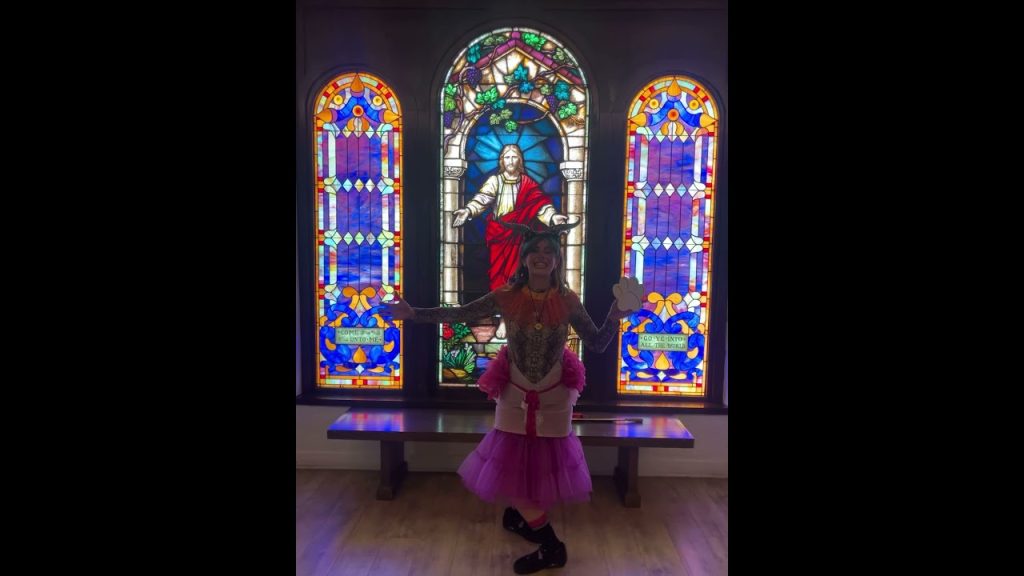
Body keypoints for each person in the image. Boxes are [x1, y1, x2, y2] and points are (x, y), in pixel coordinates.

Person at [384, 218, 631, 574]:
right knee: (513, 464)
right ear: (524, 258)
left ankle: (550, 547)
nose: (542, 256)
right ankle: (520, 518)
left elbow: (597, 343)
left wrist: (613, 316)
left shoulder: (567, 300)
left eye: (549, 251)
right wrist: (413, 314)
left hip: (553, 397)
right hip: (515, 393)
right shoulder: (507, 295)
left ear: (557, 260)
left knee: (538, 466)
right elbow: (462, 313)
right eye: (535, 251)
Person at [451, 143, 570, 291]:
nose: (511, 161)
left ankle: (517, 300)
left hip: (519, 237)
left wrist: (553, 218)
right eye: (507, 157)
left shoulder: (527, 183)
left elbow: (540, 206)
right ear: (502, 160)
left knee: (518, 273)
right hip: (500, 235)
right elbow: (482, 199)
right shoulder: (495, 181)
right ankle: (499, 300)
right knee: (498, 274)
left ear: (520, 160)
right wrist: (468, 210)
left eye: (514, 157)